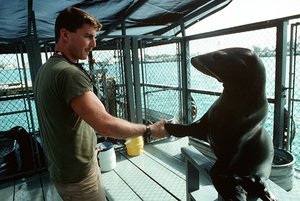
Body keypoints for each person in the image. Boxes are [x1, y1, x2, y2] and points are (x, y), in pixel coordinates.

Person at [34, 7, 169, 201]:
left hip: (63, 170)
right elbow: (104, 124)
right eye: (88, 36)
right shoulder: (68, 74)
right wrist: (149, 130)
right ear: (65, 34)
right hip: (79, 177)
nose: (94, 44)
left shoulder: (47, 69)